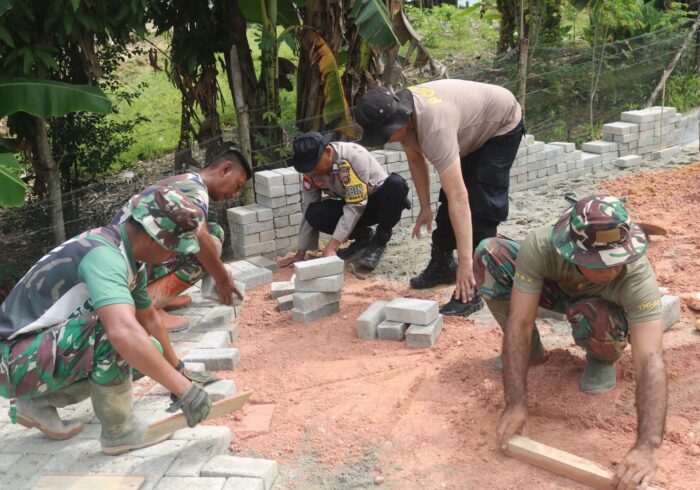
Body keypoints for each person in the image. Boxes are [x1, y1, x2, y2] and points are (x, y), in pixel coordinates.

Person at [0, 187, 214, 455]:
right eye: (174, 249)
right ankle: (120, 432)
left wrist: (177, 372)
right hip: (9, 360)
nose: (174, 256)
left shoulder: (128, 257)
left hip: (26, 355)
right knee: (115, 335)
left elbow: (149, 318)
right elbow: (122, 332)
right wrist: (185, 391)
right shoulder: (105, 257)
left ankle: (37, 403)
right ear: (154, 238)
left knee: (150, 351)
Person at [475, 194, 666, 489]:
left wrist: (648, 446)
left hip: (600, 309)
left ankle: (602, 358)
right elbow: (520, 322)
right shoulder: (541, 246)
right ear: (574, 253)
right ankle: (531, 353)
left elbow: (650, 359)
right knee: (489, 254)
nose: (613, 269)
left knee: (596, 313)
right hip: (557, 289)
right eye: (602, 264)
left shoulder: (636, 275)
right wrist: (515, 403)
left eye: (618, 260)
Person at [355, 80, 524, 317]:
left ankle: (472, 286)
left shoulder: (434, 129)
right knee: (448, 194)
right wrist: (425, 207)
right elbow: (416, 159)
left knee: (481, 203)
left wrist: (466, 263)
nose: (386, 139)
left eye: (386, 134)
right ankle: (443, 264)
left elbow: (459, 199)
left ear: (401, 121)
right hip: (467, 125)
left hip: (500, 123)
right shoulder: (401, 112)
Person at [113, 145, 252, 332]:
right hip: (126, 267)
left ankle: (161, 294)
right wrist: (222, 279)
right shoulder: (196, 191)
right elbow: (200, 237)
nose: (234, 195)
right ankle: (149, 305)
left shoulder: (189, 181)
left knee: (212, 233)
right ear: (225, 169)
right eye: (238, 185)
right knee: (206, 248)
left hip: (127, 257)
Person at [279, 131, 410, 269]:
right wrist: (300, 254)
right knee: (313, 212)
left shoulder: (352, 157)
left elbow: (355, 204)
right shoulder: (311, 171)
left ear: (328, 152)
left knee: (396, 184)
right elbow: (308, 205)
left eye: (314, 165)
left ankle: (379, 241)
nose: (313, 171)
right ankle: (364, 236)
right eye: (307, 167)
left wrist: (331, 248)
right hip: (351, 206)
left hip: (379, 205)